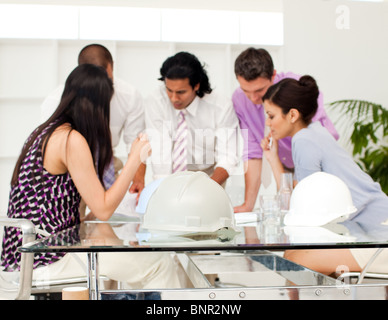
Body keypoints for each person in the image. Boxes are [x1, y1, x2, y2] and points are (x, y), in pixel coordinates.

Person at [1, 64, 181, 289]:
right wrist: (135, 158)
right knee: (160, 263)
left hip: (24, 259)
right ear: (98, 105)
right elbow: (104, 210)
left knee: (128, 259)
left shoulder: (43, 132)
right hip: (46, 260)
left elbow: (77, 206)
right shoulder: (70, 139)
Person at [260, 74, 388, 276]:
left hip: (378, 237)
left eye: (271, 115)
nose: (268, 123)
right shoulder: (315, 130)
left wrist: (273, 160)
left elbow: (300, 208)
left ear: (292, 115)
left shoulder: (303, 140)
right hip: (372, 228)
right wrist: (272, 157)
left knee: (292, 263)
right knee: (295, 257)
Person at [232, 47, 339, 213]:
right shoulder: (239, 99)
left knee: (315, 210)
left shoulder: (296, 88)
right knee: (291, 209)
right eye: (246, 91)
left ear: (273, 76)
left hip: (318, 160)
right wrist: (248, 205)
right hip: (285, 163)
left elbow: (312, 138)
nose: (254, 99)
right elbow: (252, 151)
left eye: (260, 90)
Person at [41, 44, 146, 196]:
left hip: (108, 163)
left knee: (117, 211)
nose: (103, 88)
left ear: (112, 66)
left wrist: (138, 179)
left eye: (107, 81)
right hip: (69, 168)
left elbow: (135, 142)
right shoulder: (54, 101)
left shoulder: (129, 95)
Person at [145, 51, 239, 186]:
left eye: (181, 92)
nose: (173, 98)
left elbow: (228, 157)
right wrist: (164, 190)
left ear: (196, 85)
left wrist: (209, 187)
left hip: (210, 177)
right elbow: (161, 153)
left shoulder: (221, 106)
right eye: (169, 90)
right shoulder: (156, 101)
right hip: (170, 177)